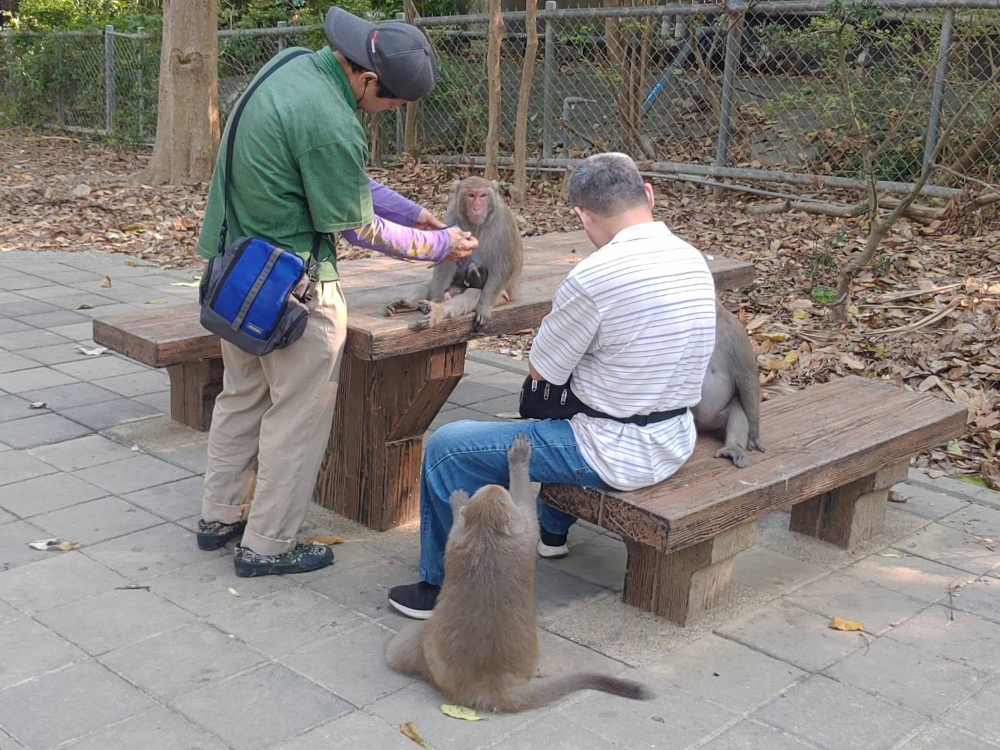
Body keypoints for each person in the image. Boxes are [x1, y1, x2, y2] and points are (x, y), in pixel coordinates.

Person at [194, 7, 478, 578]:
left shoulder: (293, 66)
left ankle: (219, 519)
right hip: (294, 291)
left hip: (236, 278)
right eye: (392, 104)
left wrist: (416, 212)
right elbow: (359, 226)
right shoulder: (331, 120)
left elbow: (343, 178)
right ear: (368, 79)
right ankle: (268, 546)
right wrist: (440, 245)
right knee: (295, 421)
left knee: (240, 399)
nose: (390, 114)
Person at [387, 152, 718, 619]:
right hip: (675, 436)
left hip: (615, 451)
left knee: (447, 446)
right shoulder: (692, 259)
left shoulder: (594, 277)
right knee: (570, 411)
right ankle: (553, 533)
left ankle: (437, 588)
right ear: (648, 195)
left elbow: (543, 372)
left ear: (583, 215)